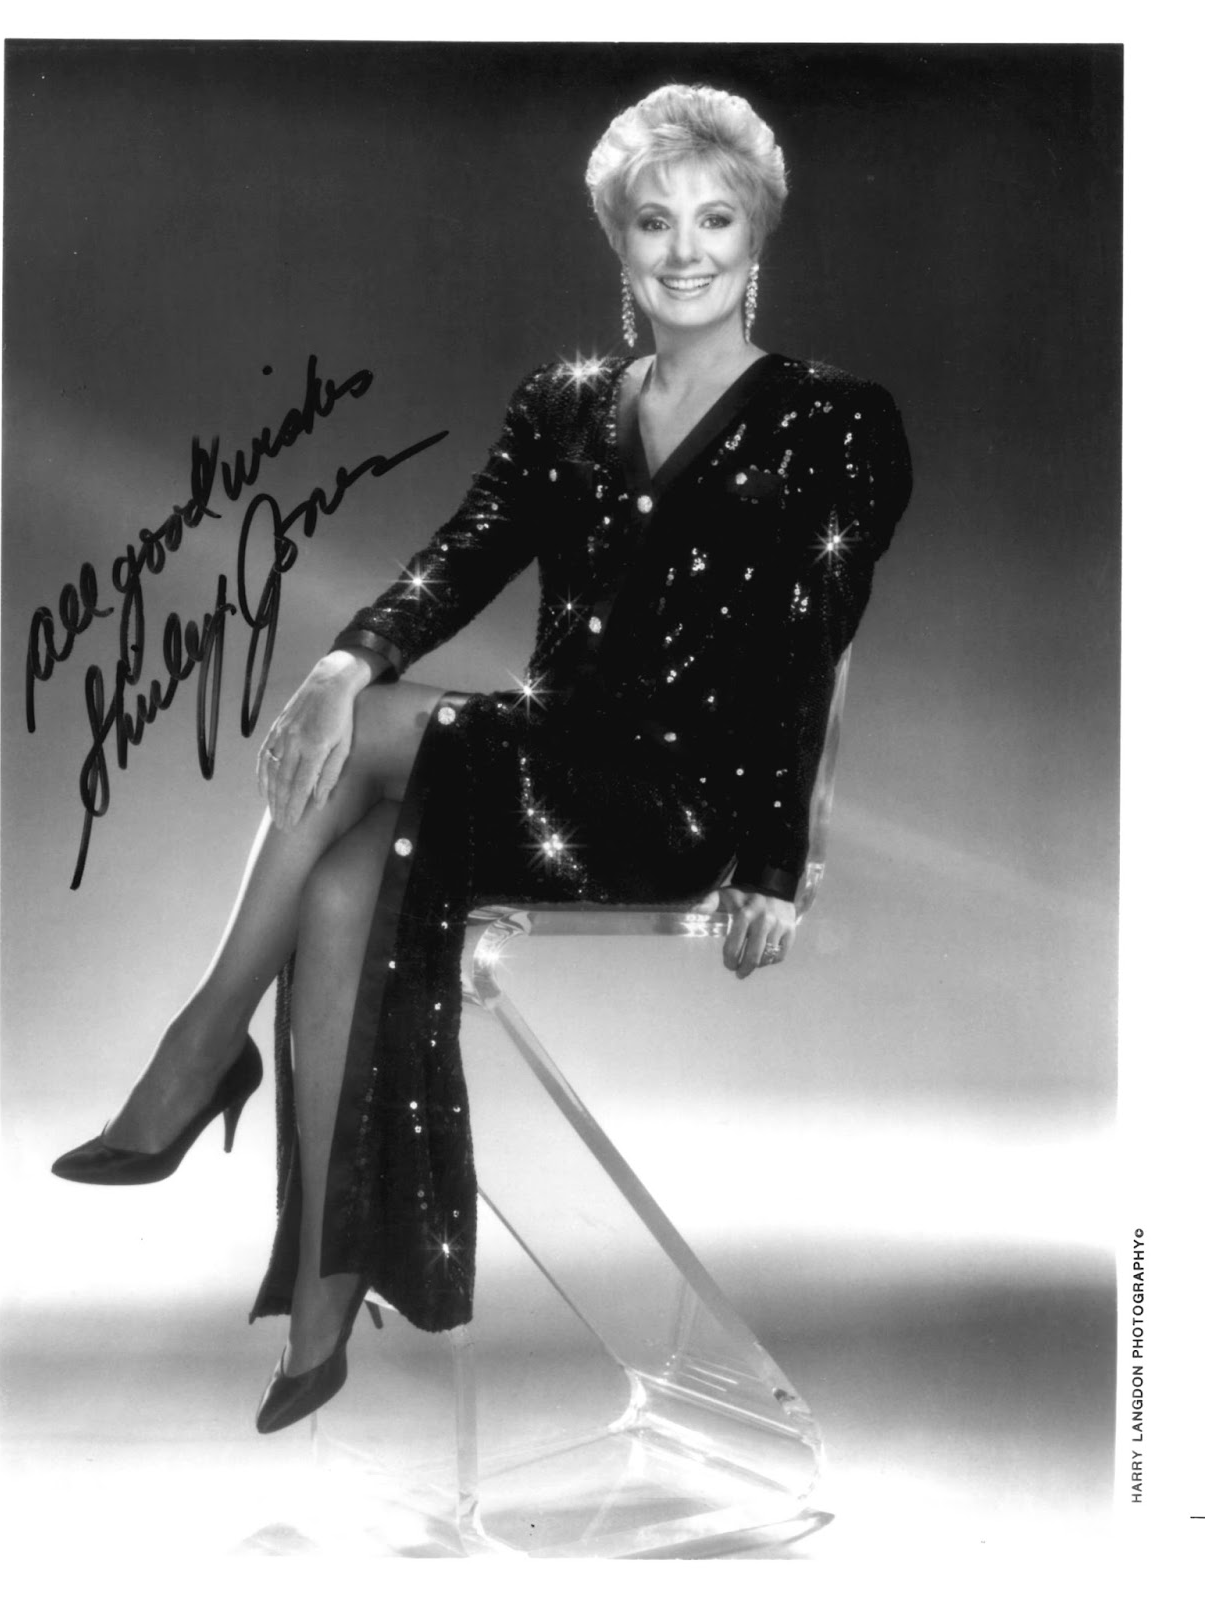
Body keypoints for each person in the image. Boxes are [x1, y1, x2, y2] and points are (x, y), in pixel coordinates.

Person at [52, 83, 912, 1434]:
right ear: (618, 243)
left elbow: (813, 647)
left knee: (372, 733)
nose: (684, 249)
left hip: (677, 798)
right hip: (543, 755)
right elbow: (464, 556)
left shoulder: (834, 421)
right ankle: (326, 1289)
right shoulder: (564, 404)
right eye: (653, 221)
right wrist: (349, 656)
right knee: (344, 885)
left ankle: (203, 1043)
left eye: (715, 218)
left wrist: (772, 863)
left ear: (758, 237)